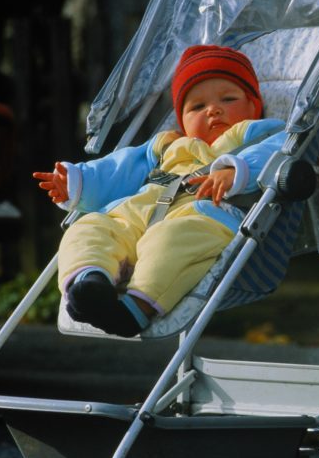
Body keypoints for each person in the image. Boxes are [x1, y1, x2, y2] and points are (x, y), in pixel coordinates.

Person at [33, 45, 285, 337]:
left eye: (228, 99)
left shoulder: (257, 134)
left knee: (173, 242)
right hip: (138, 210)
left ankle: (136, 308)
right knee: (90, 227)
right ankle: (91, 282)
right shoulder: (168, 144)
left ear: (254, 106)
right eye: (197, 107)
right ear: (182, 119)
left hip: (202, 212)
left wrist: (236, 171)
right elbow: (121, 168)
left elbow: (276, 151)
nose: (213, 110)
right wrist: (77, 180)